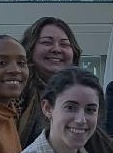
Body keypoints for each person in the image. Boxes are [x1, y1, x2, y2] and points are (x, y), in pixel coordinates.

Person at [17, 17, 81, 145]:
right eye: (47, 43)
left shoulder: (83, 91)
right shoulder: (16, 89)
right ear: (30, 48)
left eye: (64, 44)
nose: (56, 49)